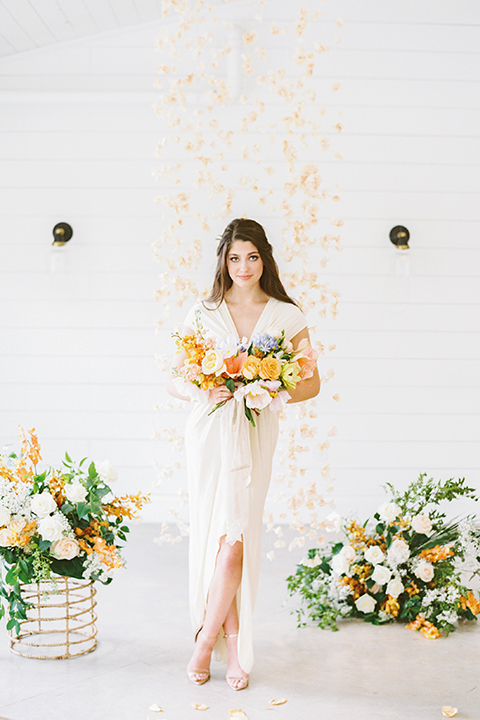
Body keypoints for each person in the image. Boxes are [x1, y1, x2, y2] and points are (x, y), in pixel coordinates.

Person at [167, 218, 320, 691]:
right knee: (218, 538)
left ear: (265, 259)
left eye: (252, 256)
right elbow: (175, 379)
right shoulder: (202, 312)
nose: (244, 266)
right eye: (235, 257)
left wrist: (267, 388)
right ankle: (225, 646)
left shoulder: (287, 316)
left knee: (236, 539)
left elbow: (312, 383)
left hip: (255, 432)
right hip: (210, 434)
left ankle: (207, 640)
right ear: (223, 262)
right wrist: (203, 392)